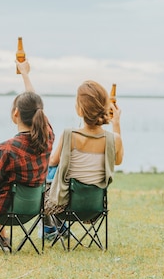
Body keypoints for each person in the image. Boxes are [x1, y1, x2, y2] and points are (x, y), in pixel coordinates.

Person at [0, 59, 55, 248]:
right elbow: (37, 105)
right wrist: (25, 74)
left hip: (5, 209)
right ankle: (0, 238)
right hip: (33, 207)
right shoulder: (48, 137)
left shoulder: (7, 148)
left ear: (16, 113)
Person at [43, 80, 124, 238]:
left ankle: (49, 229)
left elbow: (52, 161)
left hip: (63, 208)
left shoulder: (69, 135)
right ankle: (56, 229)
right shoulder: (113, 139)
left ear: (80, 110)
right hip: (95, 209)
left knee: (48, 171)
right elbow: (118, 161)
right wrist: (116, 124)